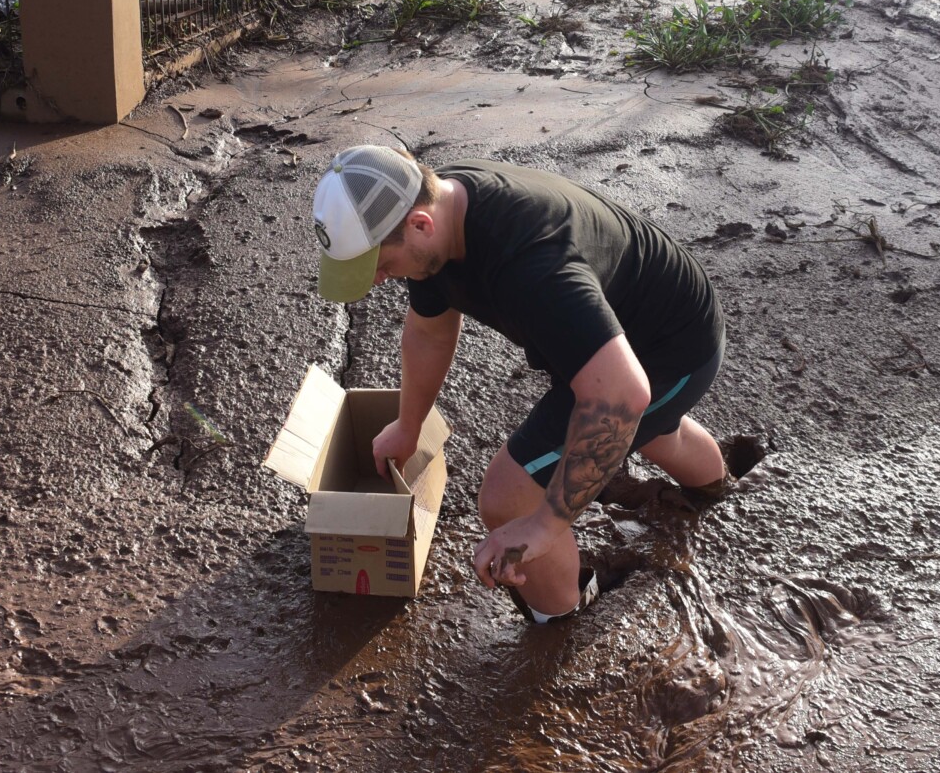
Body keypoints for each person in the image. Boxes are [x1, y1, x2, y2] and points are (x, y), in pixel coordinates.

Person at [312, 145, 732, 623]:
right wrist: (408, 426)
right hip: (623, 328)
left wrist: (544, 526)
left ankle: (566, 612)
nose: (382, 280)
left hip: (670, 348)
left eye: (381, 267)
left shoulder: (532, 265)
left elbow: (623, 395)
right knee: (658, 432)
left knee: (508, 495)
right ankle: (717, 494)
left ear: (419, 226)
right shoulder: (434, 205)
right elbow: (429, 330)